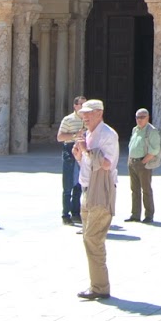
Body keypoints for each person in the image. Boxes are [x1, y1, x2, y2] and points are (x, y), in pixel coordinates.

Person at [76, 99, 119, 300]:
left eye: (88, 113)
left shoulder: (108, 134)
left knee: (93, 239)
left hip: (101, 190)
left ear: (99, 113)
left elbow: (107, 164)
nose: (84, 117)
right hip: (87, 189)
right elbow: (88, 163)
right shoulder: (89, 134)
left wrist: (86, 150)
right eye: (83, 113)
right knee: (89, 238)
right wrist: (79, 155)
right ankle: (97, 284)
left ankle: (100, 287)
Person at [126, 107, 161, 224]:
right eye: (138, 117)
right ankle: (135, 214)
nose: (139, 119)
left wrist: (143, 161)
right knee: (134, 189)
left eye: (142, 117)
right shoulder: (135, 129)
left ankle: (149, 215)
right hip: (132, 162)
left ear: (148, 118)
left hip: (143, 163)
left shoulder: (151, 131)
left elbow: (155, 149)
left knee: (146, 190)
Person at [56, 95, 86, 225]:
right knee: (68, 184)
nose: (84, 107)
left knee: (79, 184)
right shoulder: (68, 119)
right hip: (69, 150)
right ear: (75, 106)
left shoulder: (87, 120)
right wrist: (75, 135)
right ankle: (65, 214)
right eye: (81, 104)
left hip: (83, 151)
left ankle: (76, 213)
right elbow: (60, 137)